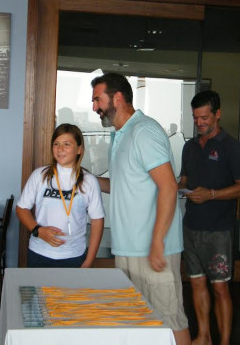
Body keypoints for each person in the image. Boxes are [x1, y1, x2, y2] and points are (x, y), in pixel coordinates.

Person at [91, 72, 191, 345]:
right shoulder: (121, 134)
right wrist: (86, 179)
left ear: (118, 97)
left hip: (152, 249)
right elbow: (123, 185)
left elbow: (168, 187)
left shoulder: (144, 130)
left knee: (171, 320)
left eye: (97, 99)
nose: (94, 107)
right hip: (129, 248)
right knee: (140, 323)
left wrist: (157, 242)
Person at [178, 90, 240, 345]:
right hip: (191, 227)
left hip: (219, 231)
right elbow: (184, 181)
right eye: (196, 118)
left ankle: (225, 341)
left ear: (218, 114)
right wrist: (176, 188)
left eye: (205, 117)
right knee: (196, 284)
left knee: (220, 288)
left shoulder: (233, 148)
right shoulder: (188, 147)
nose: (199, 123)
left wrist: (211, 194)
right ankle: (204, 336)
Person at [16, 123, 105, 268]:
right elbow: (21, 209)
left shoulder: (89, 181)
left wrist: (89, 261)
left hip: (73, 256)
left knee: (69, 292)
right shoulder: (40, 175)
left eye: (67, 144)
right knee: (39, 291)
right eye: (56, 144)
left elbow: (97, 222)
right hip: (39, 253)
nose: (60, 149)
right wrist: (38, 230)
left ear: (79, 149)